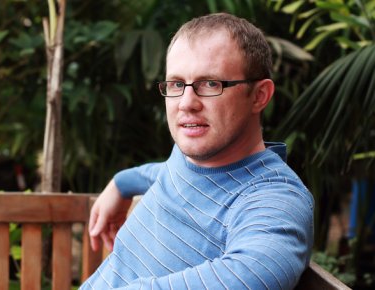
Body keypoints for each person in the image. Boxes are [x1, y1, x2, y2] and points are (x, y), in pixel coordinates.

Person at [80, 13, 313, 290]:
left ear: (259, 96)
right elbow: (164, 173)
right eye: (177, 84)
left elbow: (252, 276)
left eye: (210, 84)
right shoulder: (189, 159)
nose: (186, 103)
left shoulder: (274, 198)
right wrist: (121, 184)